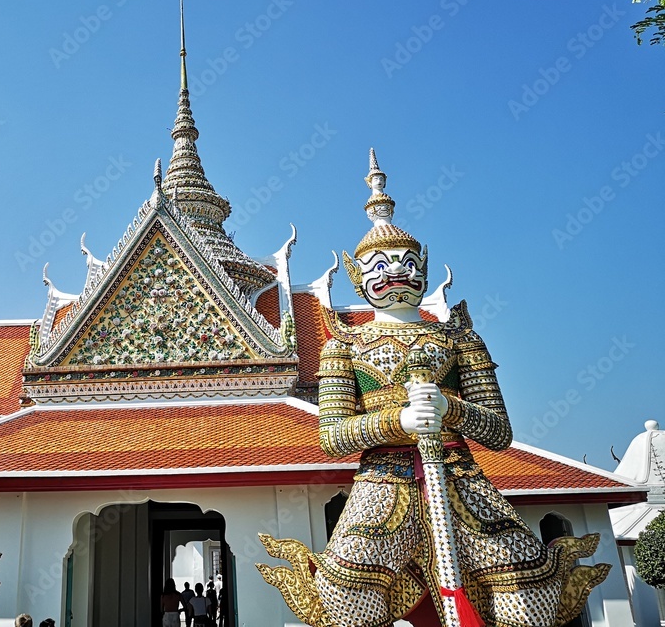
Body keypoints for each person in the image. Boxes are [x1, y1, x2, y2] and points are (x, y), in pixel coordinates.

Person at [257, 152, 611, 627]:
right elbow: (334, 436)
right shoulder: (345, 344)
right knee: (345, 598)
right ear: (358, 277)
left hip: (458, 473)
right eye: (379, 266)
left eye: (405, 263)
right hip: (383, 483)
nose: (394, 273)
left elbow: (499, 432)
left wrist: (451, 409)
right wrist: (396, 421)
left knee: (527, 594)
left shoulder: (457, 338)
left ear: (422, 266)